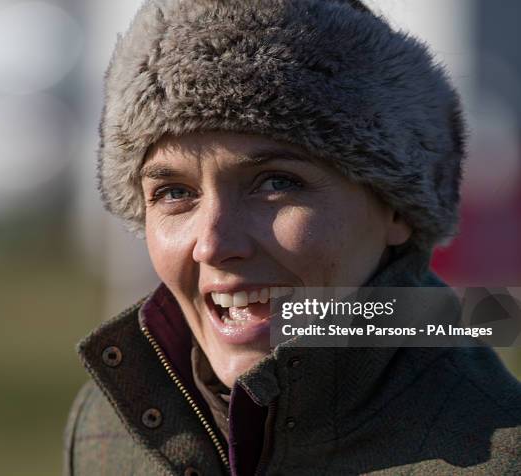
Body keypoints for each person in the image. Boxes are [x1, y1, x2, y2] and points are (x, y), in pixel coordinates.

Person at [63, 1, 521, 474]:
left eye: (276, 183)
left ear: (396, 207)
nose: (214, 244)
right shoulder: (109, 428)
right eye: (175, 193)